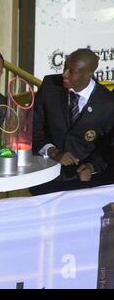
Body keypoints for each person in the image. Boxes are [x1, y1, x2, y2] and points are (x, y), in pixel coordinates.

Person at [30, 48, 114, 196]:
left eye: (72, 71)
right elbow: (33, 128)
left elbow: (108, 146)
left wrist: (92, 166)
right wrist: (53, 151)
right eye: (64, 67)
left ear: (89, 74)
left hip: (83, 184)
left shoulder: (107, 103)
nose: (64, 74)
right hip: (46, 179)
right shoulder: (50, 86)